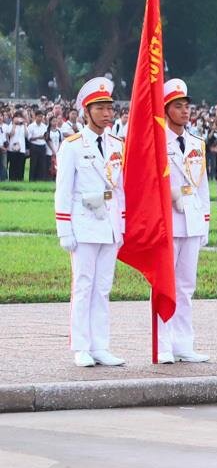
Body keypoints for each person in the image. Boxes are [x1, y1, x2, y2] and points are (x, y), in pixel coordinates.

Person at [54, 77, 126, 367]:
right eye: (100, 108)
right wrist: (64, 229)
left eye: (109, 108)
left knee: (103, 287)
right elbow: (63, 190)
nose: (107, 113)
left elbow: (120, 189)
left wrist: (121, 225)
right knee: (83, 285)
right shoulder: (72, 146)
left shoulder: (117, 145)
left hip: (108, 224)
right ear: (86, 111)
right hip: (83, 223)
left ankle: (100, 345)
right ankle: (81, 346)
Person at [159, 78, 211, 362]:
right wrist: (170, 193)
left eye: (186, 106)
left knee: (186, 285)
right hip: (168, 219)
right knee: (165, 285)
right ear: (166, 110)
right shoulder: (158, 141)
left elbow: (202, 185)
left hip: (190, 219)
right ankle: (163, 344)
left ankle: (183, 343)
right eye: (178, 106)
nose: (185, 111)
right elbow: (149, 182)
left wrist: (205, 220)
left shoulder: (196, 143)